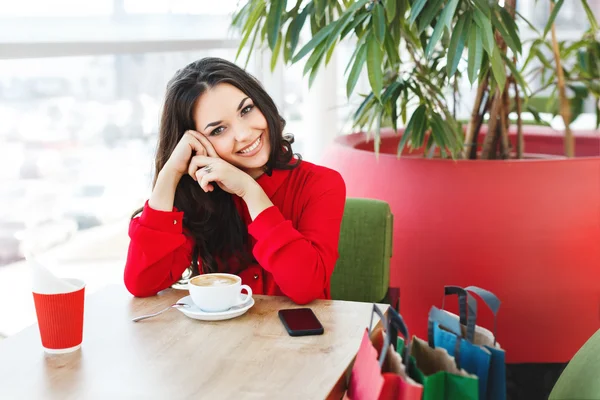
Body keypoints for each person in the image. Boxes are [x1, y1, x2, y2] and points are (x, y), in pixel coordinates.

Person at [124, 57, 346, 304]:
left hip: (297, 341)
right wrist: (171, 172)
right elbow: (142, 283)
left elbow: (307, 287)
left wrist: (250, 191)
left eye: (246, 110)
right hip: (221, 340)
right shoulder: (202, 192)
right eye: (218, 130)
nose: (243, 134)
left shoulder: (322, 184)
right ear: (197, 141)